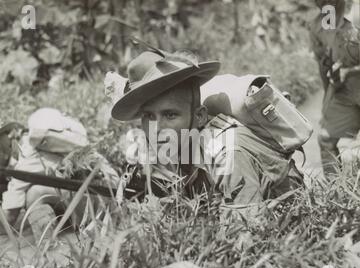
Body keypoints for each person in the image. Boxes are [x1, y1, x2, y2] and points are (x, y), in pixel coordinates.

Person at [110, 50, 304, 222]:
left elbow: (248, 235)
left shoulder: (227, 153)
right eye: (149, 116)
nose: (158, 128)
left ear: (200, 116)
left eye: (170, 115)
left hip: (292, 223)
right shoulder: (173, 147)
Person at [0, 108, 119, 240]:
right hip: (107, 190)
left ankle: (47, 249)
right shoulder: (45, 143)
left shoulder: (29, 155)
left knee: (34, 194)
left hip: (102, 203)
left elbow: (9, 218)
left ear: (10, 133)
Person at [309, 0, 360, 175]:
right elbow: (325, 67)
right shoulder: (319, 25)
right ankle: (337, 192)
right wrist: (330, 94)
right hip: (344, 89)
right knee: (325, 137)